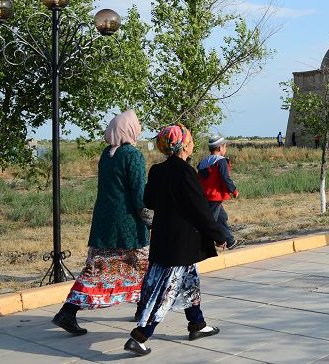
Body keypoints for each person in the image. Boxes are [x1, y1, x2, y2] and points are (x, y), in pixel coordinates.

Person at [125, 124, 226, 356]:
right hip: (181, 242)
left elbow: (149, 200)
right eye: (189, 140)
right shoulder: (185, 172)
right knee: (165, 292)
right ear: (182, 145)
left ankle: (197, 324)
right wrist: (218, 235)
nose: (192, 144)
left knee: (190, 282)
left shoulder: (157, 170)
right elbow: (200, 209)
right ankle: (139, 336)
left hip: (164, 237)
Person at [52, 110, 150, 336]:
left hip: (104, 223)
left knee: (97, 268)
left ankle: (69, 311)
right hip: (127, 225)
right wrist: (150, 219)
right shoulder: (132, 155)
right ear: (130, 130)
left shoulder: (107, 154)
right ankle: (142, 310)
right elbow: (139, 193)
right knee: (143, 264)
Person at [197, 136, 241, 250]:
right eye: (225, 146)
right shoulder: (221, 161)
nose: (225, 149)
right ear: (220, 147)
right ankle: (202, 245)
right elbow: (225, 178)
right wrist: (234, 190)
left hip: (204, 196)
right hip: (214, 196)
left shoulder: (203, 162)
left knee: (222, 217)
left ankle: (230, 241)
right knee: (210, 222)